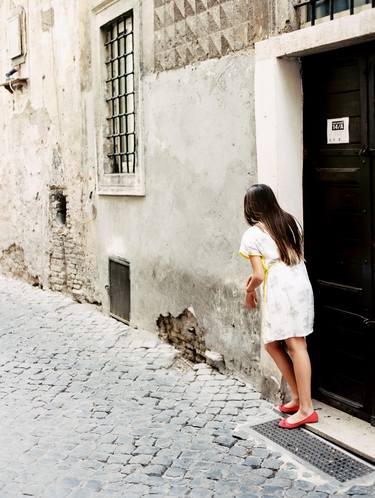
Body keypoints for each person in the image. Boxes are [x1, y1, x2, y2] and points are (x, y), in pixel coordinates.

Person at [239, 184, 318, 429]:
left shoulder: (253, 234)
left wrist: (249, 290)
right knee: (274, 343)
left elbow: (259, 275)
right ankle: (297, 397)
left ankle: (306, 408)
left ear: (251, 207)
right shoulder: (291, 222)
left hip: (281, 287)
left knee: (295, 345)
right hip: (299, 281)